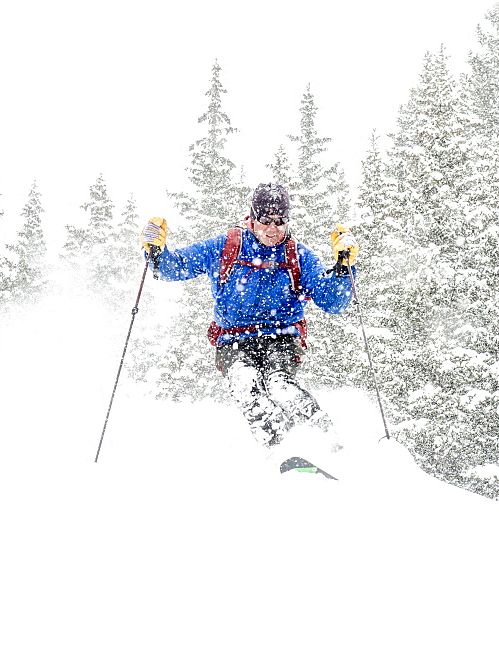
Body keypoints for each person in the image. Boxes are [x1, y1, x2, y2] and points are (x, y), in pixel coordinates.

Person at [140, 183, 359, 463]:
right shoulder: (227, 247)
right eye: (265, 221)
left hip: (282, 336)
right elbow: (175, 266)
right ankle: (283, 449)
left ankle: (330, 446)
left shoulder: (297, 256)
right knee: (246, 385)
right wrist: (156, 252)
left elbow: (333, 302)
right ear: (252, 218)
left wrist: (344, 266)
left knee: (281, 386)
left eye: (280, 221)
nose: (272, 228)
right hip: (232, 339)